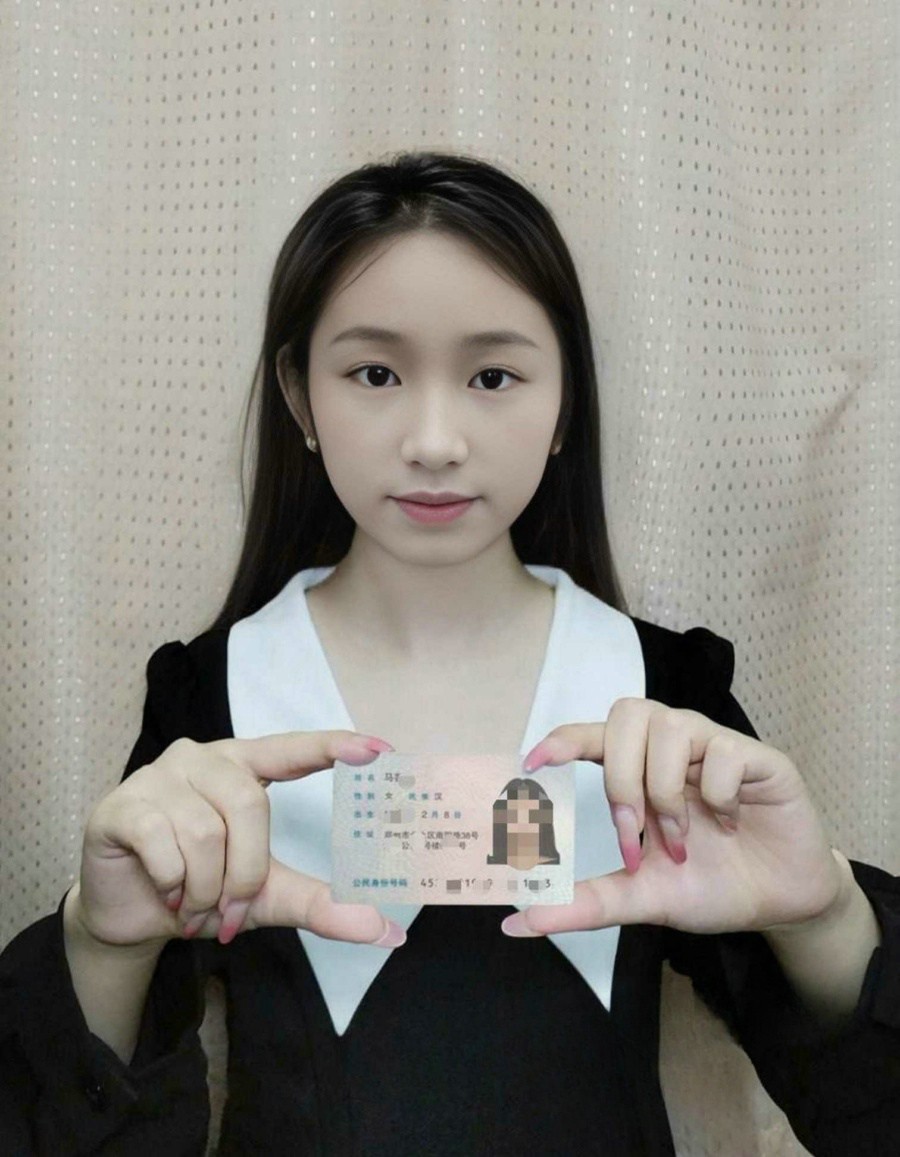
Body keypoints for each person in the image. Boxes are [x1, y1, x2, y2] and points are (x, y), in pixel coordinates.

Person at [1, 150, 897, 1157]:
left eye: (492, 375)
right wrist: (101, 939)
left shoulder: (663, 697)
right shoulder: (211, 697)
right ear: (299, 395)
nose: (434, 440)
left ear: (565, 402)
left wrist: (823, 913)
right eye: (376, 373)